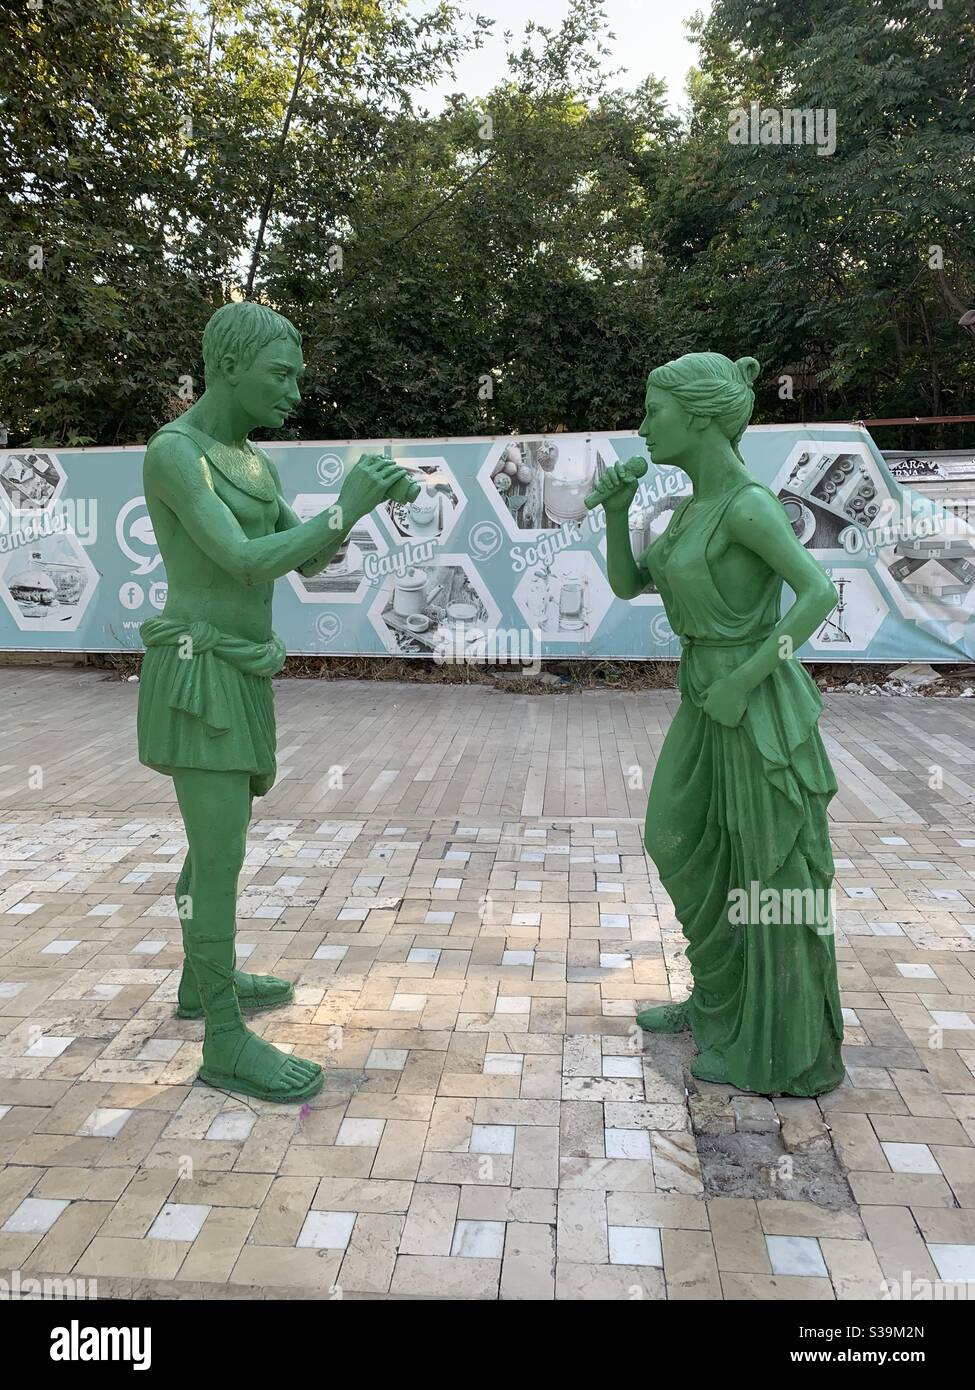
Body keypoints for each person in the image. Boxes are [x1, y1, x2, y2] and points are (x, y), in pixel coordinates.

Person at [137, 300, 416, 1102]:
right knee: (220, 853)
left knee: (216, 843)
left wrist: (360, 508)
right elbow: (242, 561)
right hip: (197, 671)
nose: (296, 388)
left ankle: (201, 984)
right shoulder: (174, 454)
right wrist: (346, 505)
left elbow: (308, 558)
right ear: (229, 366)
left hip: (242, 672)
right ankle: (224, 1042)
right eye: (282, 372)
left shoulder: (253, 462)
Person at [589, 352, 844, 1096]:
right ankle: (717, 997)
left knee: (766, 870)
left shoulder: (745, 505)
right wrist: (612, 512)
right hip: (703, 695)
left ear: (699, 416)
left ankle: (774, 1047)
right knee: (679, 840)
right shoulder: (690, 506)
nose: (642, 427)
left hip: (753, 702)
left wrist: (745, 676)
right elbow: (628, 583)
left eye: (652, 412)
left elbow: (816, 593)